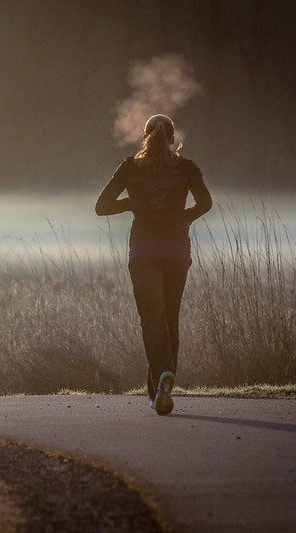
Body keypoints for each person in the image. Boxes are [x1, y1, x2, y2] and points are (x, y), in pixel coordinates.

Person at [95, 114, 212, 416]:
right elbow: (206, 203)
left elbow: (101, 207)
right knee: (169, 317)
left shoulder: (130, 167)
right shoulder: (187, 168)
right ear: (172, 139)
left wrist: (133, 204)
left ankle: (161, 377)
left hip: (144, 251)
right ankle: (161, 387)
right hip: (176, 251)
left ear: (144, 138)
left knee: (152, 317)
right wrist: (183, 218)